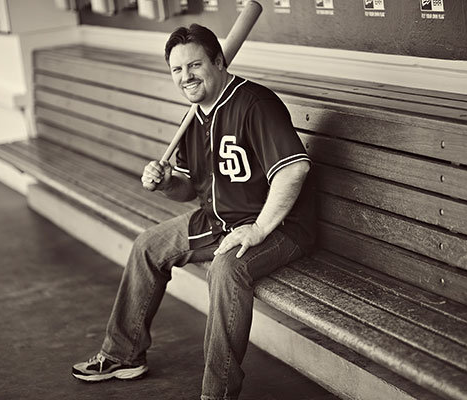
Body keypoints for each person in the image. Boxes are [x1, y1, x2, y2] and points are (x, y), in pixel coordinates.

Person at [72, 23, 316, 400]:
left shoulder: (255, 104)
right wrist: (167, 182)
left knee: (226, 270)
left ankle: (216, 393)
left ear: (219, 61)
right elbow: (190, 189)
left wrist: (260, 229)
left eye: (195, 65)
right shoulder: (194, 116)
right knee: (147, 246)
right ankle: (124, 354)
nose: (186, 76)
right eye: (177, 69)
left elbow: (294, 168)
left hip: (279, 227)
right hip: (218, 221)